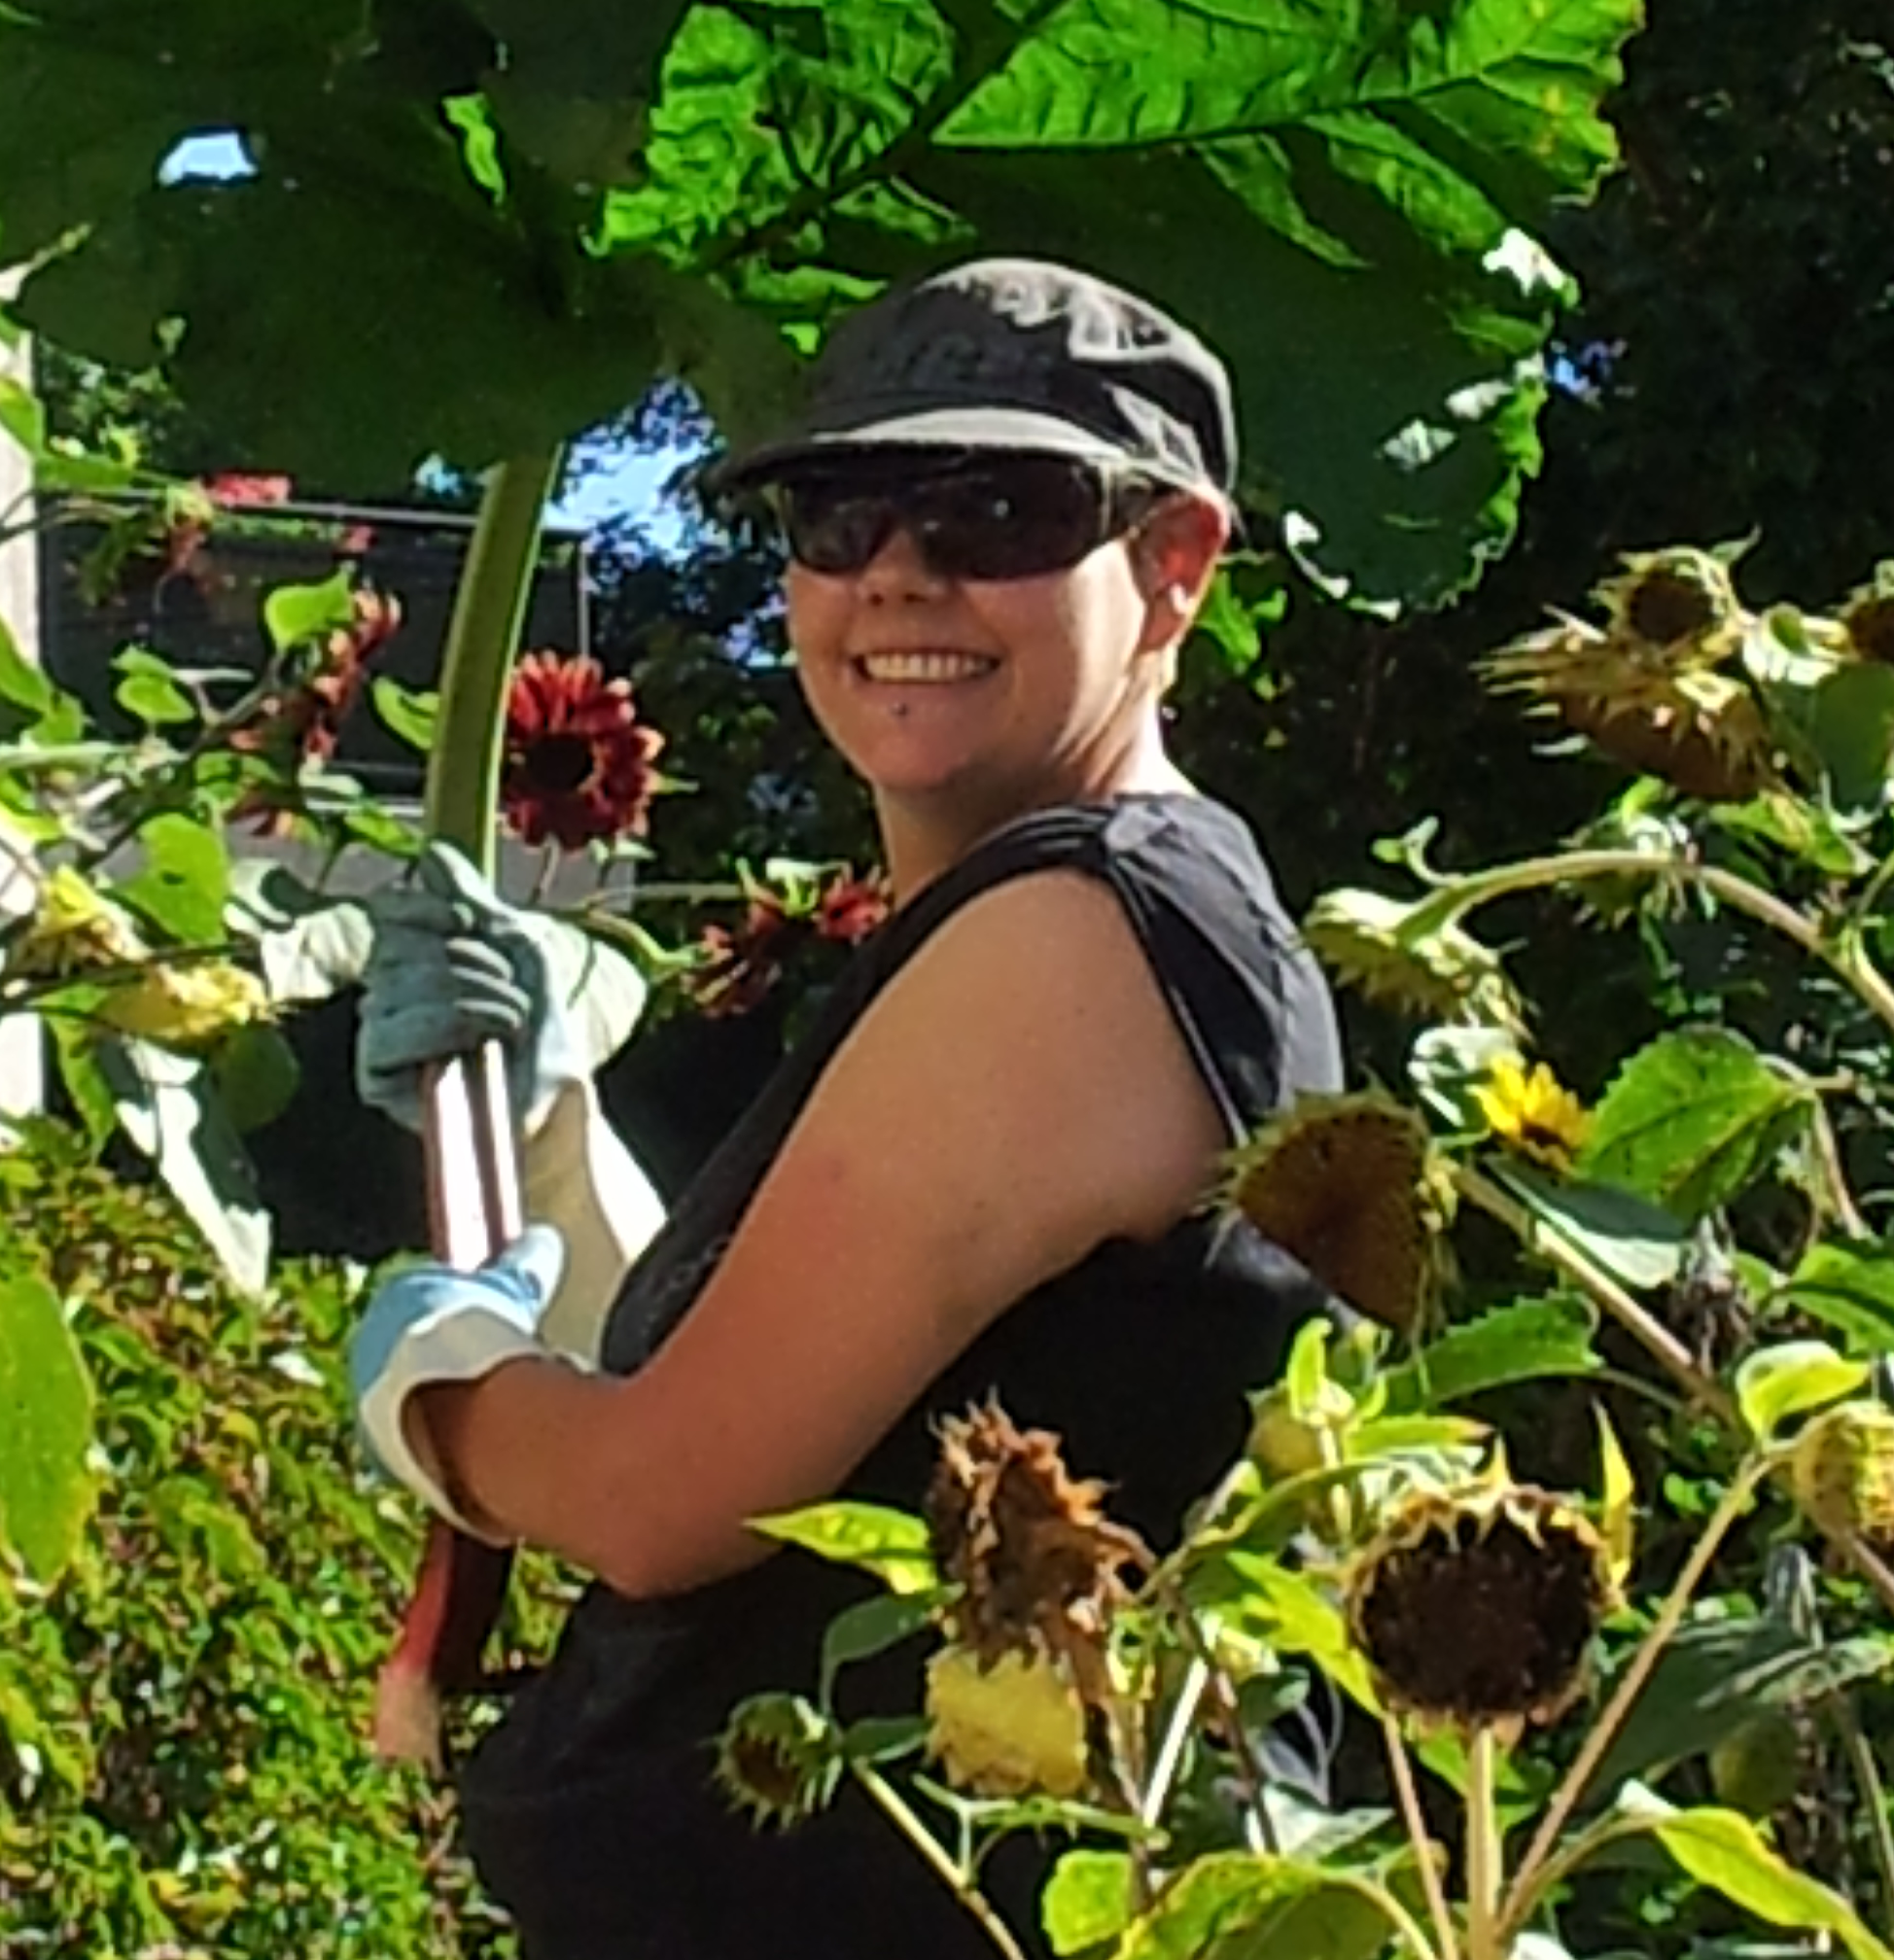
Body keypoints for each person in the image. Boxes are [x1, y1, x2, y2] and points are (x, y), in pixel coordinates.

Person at [348, 257, 1344, 1957]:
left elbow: (668, 1493)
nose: (899, 573)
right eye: (839, 512)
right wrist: (544, 1124)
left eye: (997, 508)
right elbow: (800, 1408)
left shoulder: (1085, 931)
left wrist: (434, 1400)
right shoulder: (1080, 919)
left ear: (1173, 566)